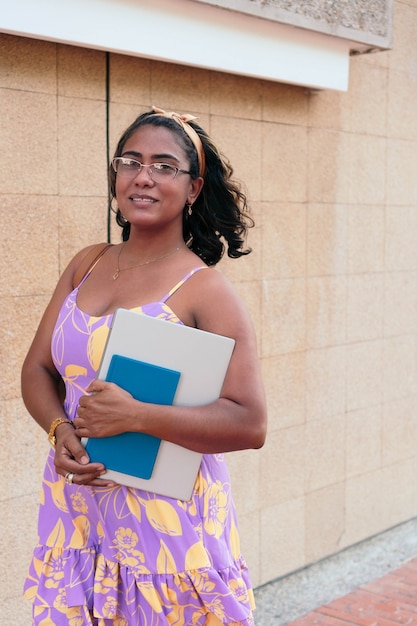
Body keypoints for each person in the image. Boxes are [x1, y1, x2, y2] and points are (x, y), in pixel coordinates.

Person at [22, 106, 267, 626]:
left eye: (164, 165)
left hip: (165, 519)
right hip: (80, 503)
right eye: (130, 161)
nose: (144, 176)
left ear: (194, 188)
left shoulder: (204, 289)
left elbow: (250, 422)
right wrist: (58, 429)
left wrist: (136, 417)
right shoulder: (87, 263)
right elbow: (38, 369)